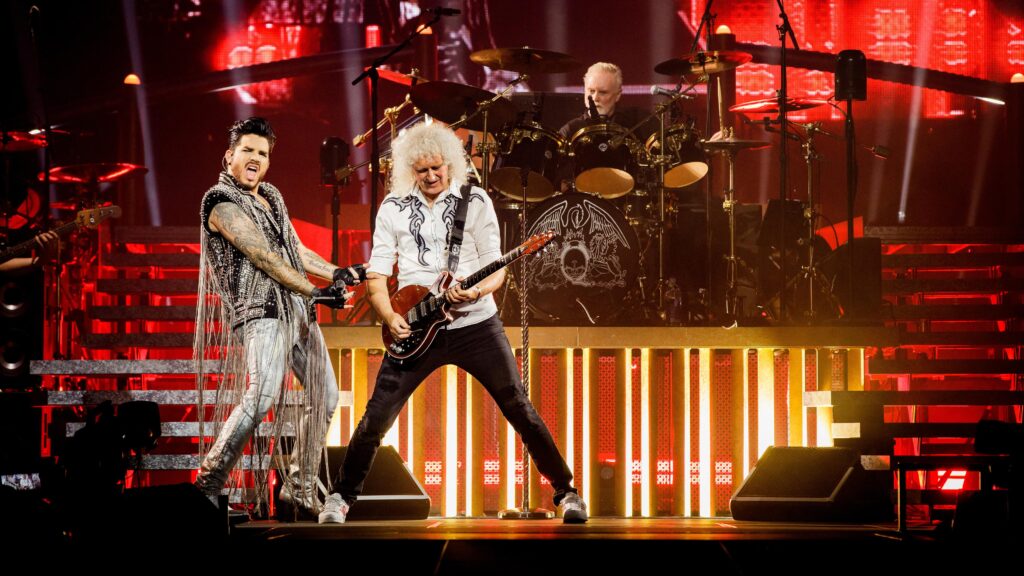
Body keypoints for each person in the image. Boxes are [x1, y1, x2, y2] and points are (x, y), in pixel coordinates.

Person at [319, 121, 588, 524]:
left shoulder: (474, 200)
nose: (431, 176)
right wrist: (390, 316)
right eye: (422, 170)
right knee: (376, 417)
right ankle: (340, 497)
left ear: (451, 164)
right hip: (413, 327)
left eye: (437, 168)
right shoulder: (393, 207)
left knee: (519, 406)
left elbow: (497, 268)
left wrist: (475, 292)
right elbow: (377, 273)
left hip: (476, 326)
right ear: (409, 169)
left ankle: (567, 493)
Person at [193, 117, 365, 516]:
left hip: (297, 311)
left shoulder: (271, 196)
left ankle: (300, 485)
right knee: (261, 397)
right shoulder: (220, 201)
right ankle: (208, 484)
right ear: (229, 156)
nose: (256, 159)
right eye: (248, 150)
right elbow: (263, 256)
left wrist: (336, 272)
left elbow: (295, 251)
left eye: (263, 153)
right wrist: (314, 291)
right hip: (261, 313)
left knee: (325, 396)